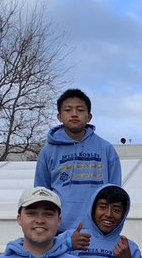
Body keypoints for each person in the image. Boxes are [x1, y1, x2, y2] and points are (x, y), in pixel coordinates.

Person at [33, 89, 122, 236]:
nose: (74, 114)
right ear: (59, 116)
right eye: (68, 110)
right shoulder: (47, 152)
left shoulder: (106, 149)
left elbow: (115, 194)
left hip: (97, 231)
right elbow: (41, 194)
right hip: (59, 233)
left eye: (80, 110)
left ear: (89, 116)